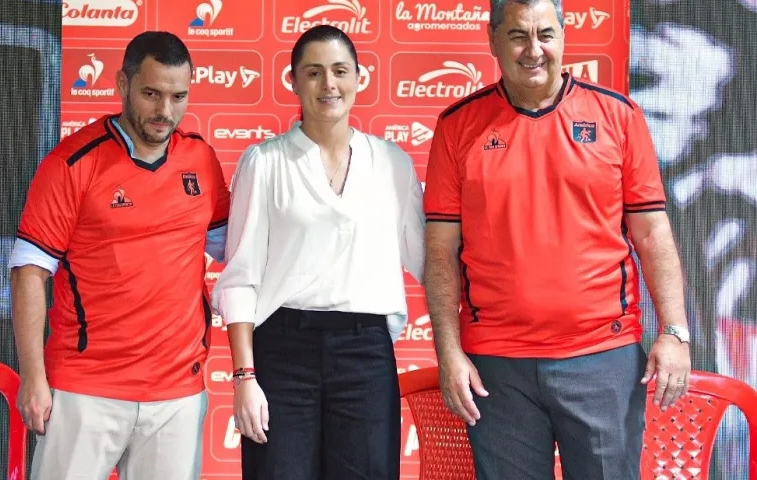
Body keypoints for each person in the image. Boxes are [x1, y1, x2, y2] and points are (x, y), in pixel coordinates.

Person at [422, 1, 693, 479]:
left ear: (564, 37)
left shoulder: (619, 116)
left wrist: (674, 331)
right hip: (497, 367)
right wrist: (448, 350)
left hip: (602, 359)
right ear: (492, 41)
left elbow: (652, 235)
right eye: (517, 36)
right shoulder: (456, 126)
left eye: (545, 34)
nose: (534, 50)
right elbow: (440, 253)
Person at [8, 31, 229, 479]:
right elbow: (29, 273)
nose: (165, 111)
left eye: (178, 96)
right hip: (85, 388)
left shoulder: (202, 161)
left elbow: (234, 250)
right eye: (151, 94)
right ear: (122, 85)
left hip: (176, 393)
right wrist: (34, 378)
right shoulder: (72, 163)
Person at [210, 24, 425, 480]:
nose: (329, 84)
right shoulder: (264, 162)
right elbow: (241, 276)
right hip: (282, 352)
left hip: (365, 354)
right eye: (314, 72)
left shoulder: (393, 163)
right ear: (293, 80)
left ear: (360, 78)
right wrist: (245, 377)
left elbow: (429, 260)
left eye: (340, 71)